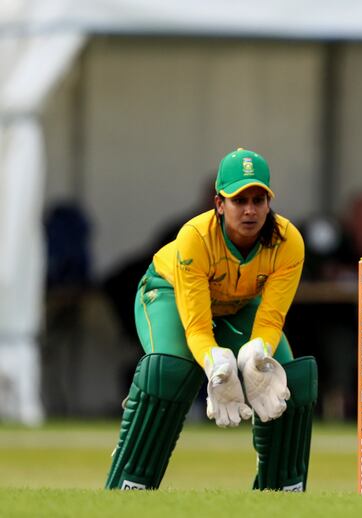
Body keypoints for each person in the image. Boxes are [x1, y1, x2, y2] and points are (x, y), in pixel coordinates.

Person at [105, 148, 317, 492]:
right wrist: (216, 364)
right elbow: (198, 328)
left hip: (237, 306)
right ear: (219, 203)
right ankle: (130, 484)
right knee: (169, 371)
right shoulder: (196, 236)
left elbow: (271, 318)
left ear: (268, 202)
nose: (250, 210)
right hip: (167, 294)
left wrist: (255, 354)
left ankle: (280, 492)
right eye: (239, 200)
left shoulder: (288, 241)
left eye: (258, 199)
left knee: (287, 376)